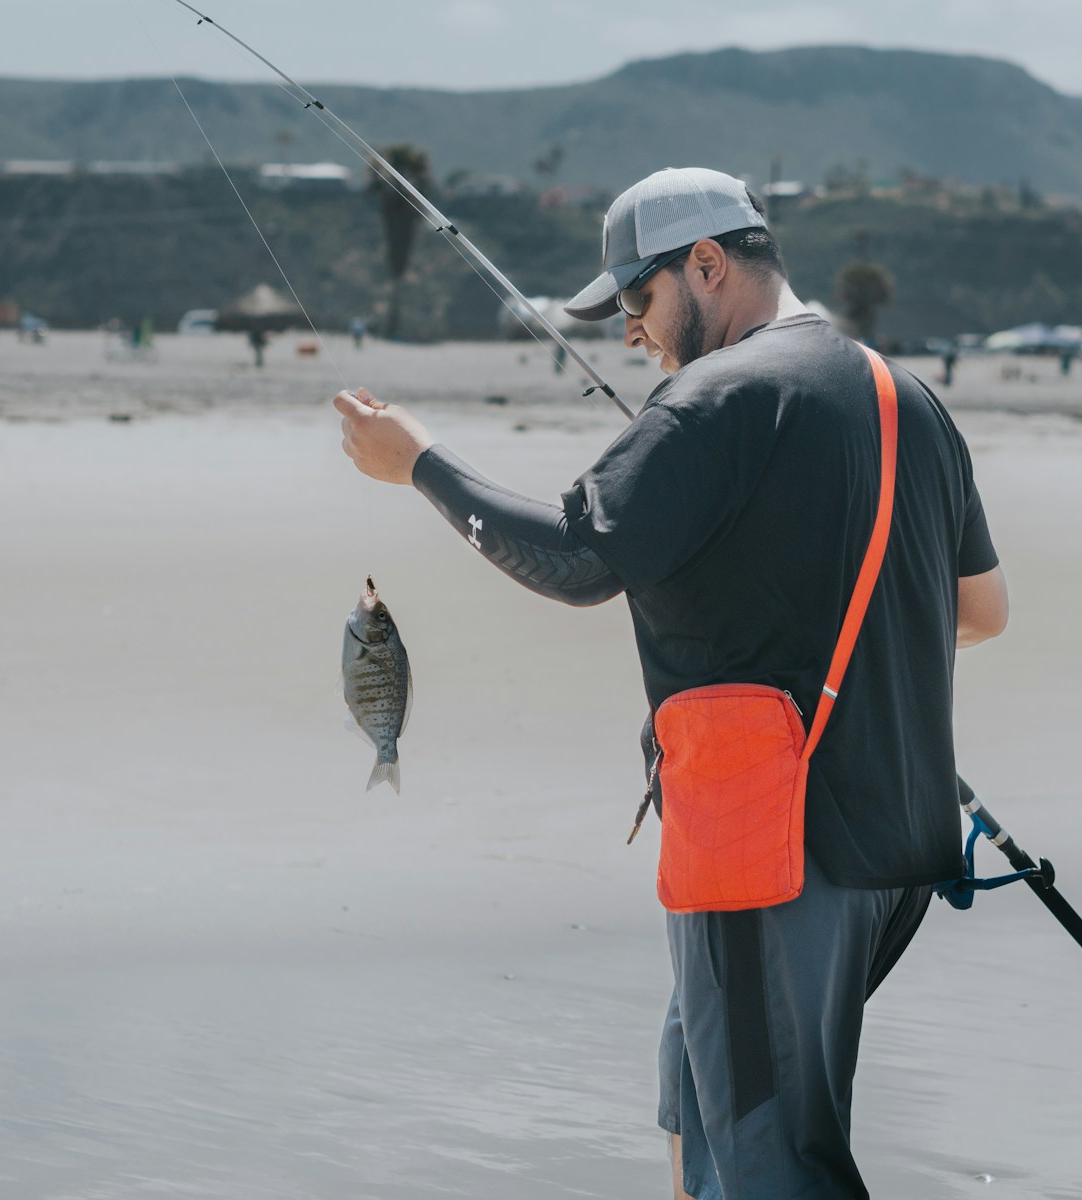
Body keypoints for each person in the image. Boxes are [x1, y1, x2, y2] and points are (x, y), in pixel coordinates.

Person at [334, 166, 1009, 1200]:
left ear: (707, 265)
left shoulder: (717, 400)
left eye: (639, 299)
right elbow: (978, 612)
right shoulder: (904, 397)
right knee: (703, 1112)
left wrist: (417, 461)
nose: (632, 335)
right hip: (892, 847)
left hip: (779, 842)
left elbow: (573, 561)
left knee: (768, 1160)